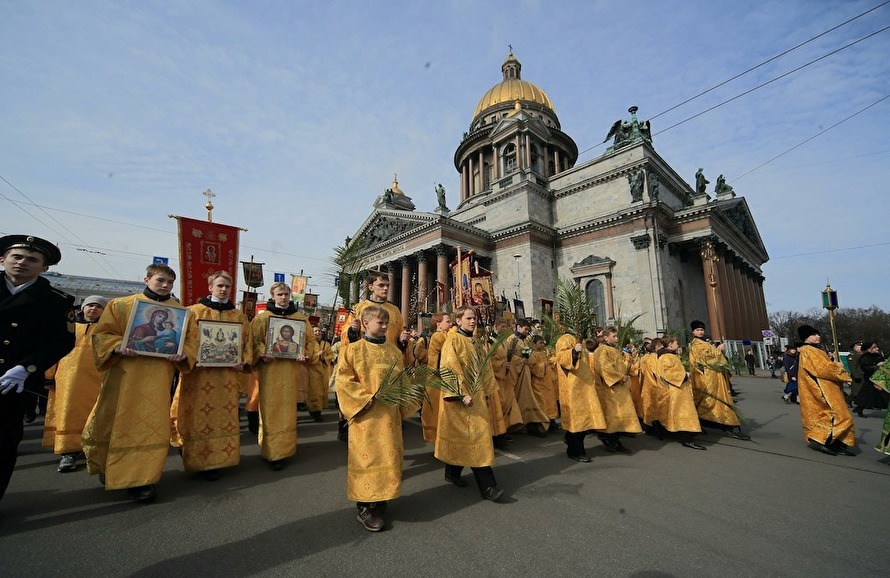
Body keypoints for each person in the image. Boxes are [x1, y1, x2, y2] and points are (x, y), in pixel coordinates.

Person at [82, 263, 196, 503]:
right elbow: (102, 334)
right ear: (146, 280)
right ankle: (110, 467)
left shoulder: (181, 313)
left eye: (169, 283)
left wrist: (183, 353)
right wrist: (117, 346)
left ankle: (143, 479)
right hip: (124, 375)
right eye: (160, 281)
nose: (165, 286)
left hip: (157, 378)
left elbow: (192, 342)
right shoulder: (121, 305)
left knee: (151, 426)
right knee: (113, 421)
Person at [0, 235, 75, 500]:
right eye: (16, 257)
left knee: (4, 443)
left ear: (44, 267)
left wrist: (27, 367)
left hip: (14, 382)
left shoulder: (55, 301)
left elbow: (62, 341)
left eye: (32, 259)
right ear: (3, 259)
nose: (22, 263)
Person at [335, 305, 417, 532]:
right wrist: (365, 399)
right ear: (366, 324)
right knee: (367, 459)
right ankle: (363, 507)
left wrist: (409, 398)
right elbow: (344, 381)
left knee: (388, 458)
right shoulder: (353, 350)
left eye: (386, 324)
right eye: (380, 323)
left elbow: (401, 380)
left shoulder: (392, 351)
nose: (384, 327)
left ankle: (380, 500)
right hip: (365, 417)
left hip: (389, 417)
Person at [170, 271, 251, 481]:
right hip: (198, 375)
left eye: (227, 286)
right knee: (196, 416)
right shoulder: (194, 312)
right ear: (210, 287)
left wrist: (244, 361)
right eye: (220, 286)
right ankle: (193, 454)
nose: (223, 290)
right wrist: (190, 356)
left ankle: (218, 460)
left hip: (226, 378)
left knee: (222, 419)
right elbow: (183, 340)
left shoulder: (238, 317)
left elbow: (246, 343)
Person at [435, 306, 504, 501]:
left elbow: (486, 368)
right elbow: (448, 368)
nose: (473, 321)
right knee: (476, 441)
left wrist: (488, 392)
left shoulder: (475, 341)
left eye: (474, 318)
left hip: (478, 398)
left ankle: (452, 472)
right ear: (458, 320)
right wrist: (460, 394)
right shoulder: (453, 341)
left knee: (466, 439)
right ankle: (488, 487)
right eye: (469, 318)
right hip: (462, 400)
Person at [250, 282, 317, 470]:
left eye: (287, 294)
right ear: (272, 295)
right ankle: (271, 452)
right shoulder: (263, 319)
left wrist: (305, 353)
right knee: (270, 409)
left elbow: (310, 341)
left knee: (288, 411)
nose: (284, 297)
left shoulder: (300, 319)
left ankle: (285, 449)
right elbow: (253, 341)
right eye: (280, 294)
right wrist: (263, 352)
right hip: (269, 371)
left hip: (290, 371)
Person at [43, 295, 107, 473]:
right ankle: (68, 452)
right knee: (68, 411)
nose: (93, 309)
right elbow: (54, 351)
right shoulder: (70, 327)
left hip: (97, 378)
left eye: (98, 307)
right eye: (90, 305)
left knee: (93, 413)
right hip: (68, 379)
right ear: (83, 307)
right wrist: (48, 375)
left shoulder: (106, 329)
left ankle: (90, 448)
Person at [796, 325, 856, 456]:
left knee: (838, 414)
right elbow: (822, 369)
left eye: (818, 334)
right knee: (834, 414)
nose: (818, 336)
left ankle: (836, 441)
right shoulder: (809, 351)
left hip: (828, 387)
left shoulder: (814, 350)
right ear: (806, 337)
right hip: (821, 388)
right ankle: (819, 439)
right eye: (813, 334)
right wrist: (838, 367)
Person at [687, 320, 750, 440]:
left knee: (721, 400)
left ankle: (727, 426)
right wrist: (718, 350)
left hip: (717, 377)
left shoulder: (706, 344)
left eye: (701, 330)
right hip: (708, 378)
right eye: (698, 330)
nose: (700, 332)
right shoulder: (695, 346)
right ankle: (729, 426)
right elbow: (702, 361)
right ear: (693, 331)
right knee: (713, 401)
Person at [554, 331, 606, 462]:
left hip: (584, 387)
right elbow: (561, 357)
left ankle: (572, 443)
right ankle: (575, 451)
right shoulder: (565, 338)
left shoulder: (576, 339)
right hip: (572, 390)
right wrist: (573, 352)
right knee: (576, 423)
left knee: (583, 422)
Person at [591, 326, 642, 452]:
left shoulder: (612, 350)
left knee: (620, 414)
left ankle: (614, 437)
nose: (617, 338)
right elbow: (605, 368)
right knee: (613, 415)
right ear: (605, 337)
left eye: (616, 336)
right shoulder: (602, 351)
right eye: (614, 336)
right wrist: (618, 378)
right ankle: (610, 439)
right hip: (610, 389)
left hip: (619, 388)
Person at [656, 336, 705, 450]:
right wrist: (684, 376)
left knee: (683, 413)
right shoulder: (666, 357)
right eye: (676, 342)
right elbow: (667, 374)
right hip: (677, 390)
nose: (678, 344)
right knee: (684, 413)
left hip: (681, 390)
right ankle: (687, 438)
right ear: (670, 344)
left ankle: (685, 435)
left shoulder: (671, 356)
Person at [504, 318, 550, 437]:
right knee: (523, 399)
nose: (526, 332)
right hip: (516, 375)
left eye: (528, 330)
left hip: (524, 373)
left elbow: (526, 356)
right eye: (525, 329)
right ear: (518, 327)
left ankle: (526, 424)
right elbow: (509, 358)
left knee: (526, 399)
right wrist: (521, 360)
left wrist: (529, 359)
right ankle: (518, 424)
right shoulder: (511, 339)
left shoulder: (523, 341)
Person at [421, 312, 452, 444]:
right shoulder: (438, 336)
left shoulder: (445, 335)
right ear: (438, 324)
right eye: (448, 322)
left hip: (441, 378)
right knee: (438, 410)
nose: (451, 324)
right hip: (437, 379)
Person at [307, 325, 333, 422]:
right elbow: (307, 356)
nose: (317, 333)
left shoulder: (325, 344)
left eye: (319, 331)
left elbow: (331, 355)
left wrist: (324, 358)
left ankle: (319, 410)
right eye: (315, 331)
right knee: (314, 391)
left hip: (324, 370)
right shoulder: (310, 344)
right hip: (313, 371)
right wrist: (317, 355)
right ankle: (315, 412)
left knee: (322, 390)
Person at [854, 342, 888, 417]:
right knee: (868, 396)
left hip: (879, 378)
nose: (877, 349)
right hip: (871, 379)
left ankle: (859, 408)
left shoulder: (877, 355)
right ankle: (859, 408)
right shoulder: (865, 357)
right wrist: (876, 366)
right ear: (869, 349)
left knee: (868, 396)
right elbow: (866, 368)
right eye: (875, 348)